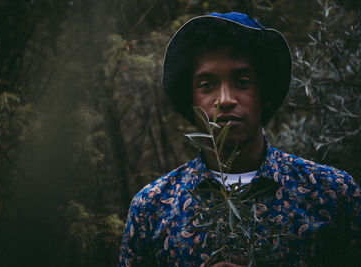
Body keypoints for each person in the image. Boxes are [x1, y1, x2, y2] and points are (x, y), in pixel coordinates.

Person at [117, 12, 361, 266]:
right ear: (190, 101)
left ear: (264, 92)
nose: (225, 99)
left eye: (242, 82)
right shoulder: (153, 207)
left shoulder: (332, 194)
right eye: (207, 84)